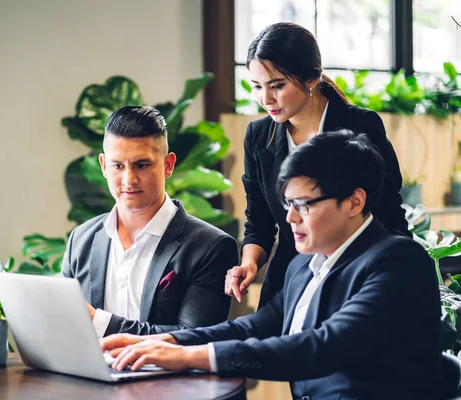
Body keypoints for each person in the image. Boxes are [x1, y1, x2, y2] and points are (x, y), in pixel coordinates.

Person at [100, 131, 442, 400]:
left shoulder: (398, 263)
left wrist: (190, 358)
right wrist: (173, 342)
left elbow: (323, 346)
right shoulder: (303, 264)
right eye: (288, 203)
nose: (290, 218)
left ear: (355, 201)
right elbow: (257, 325)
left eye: (304, 205)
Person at [226, 22, 409, 309]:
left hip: (356, 275)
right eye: (257, 87)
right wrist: (249, 264)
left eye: (277, 86)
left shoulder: (360, 126)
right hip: (290, 281)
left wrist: (398, 281)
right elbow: (259, 223)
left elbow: (388, 213)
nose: (265, 99)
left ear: (312, 79)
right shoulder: (258, 137)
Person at [62, 105, 239, 337]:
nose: (129, 180)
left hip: (171, 375)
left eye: (141, 165)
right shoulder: (81, 239)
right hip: (88, 373)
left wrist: (99, 321)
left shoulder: (211, 246)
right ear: (104, 166)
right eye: (118, 166)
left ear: (168, 165)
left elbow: (193, 337)